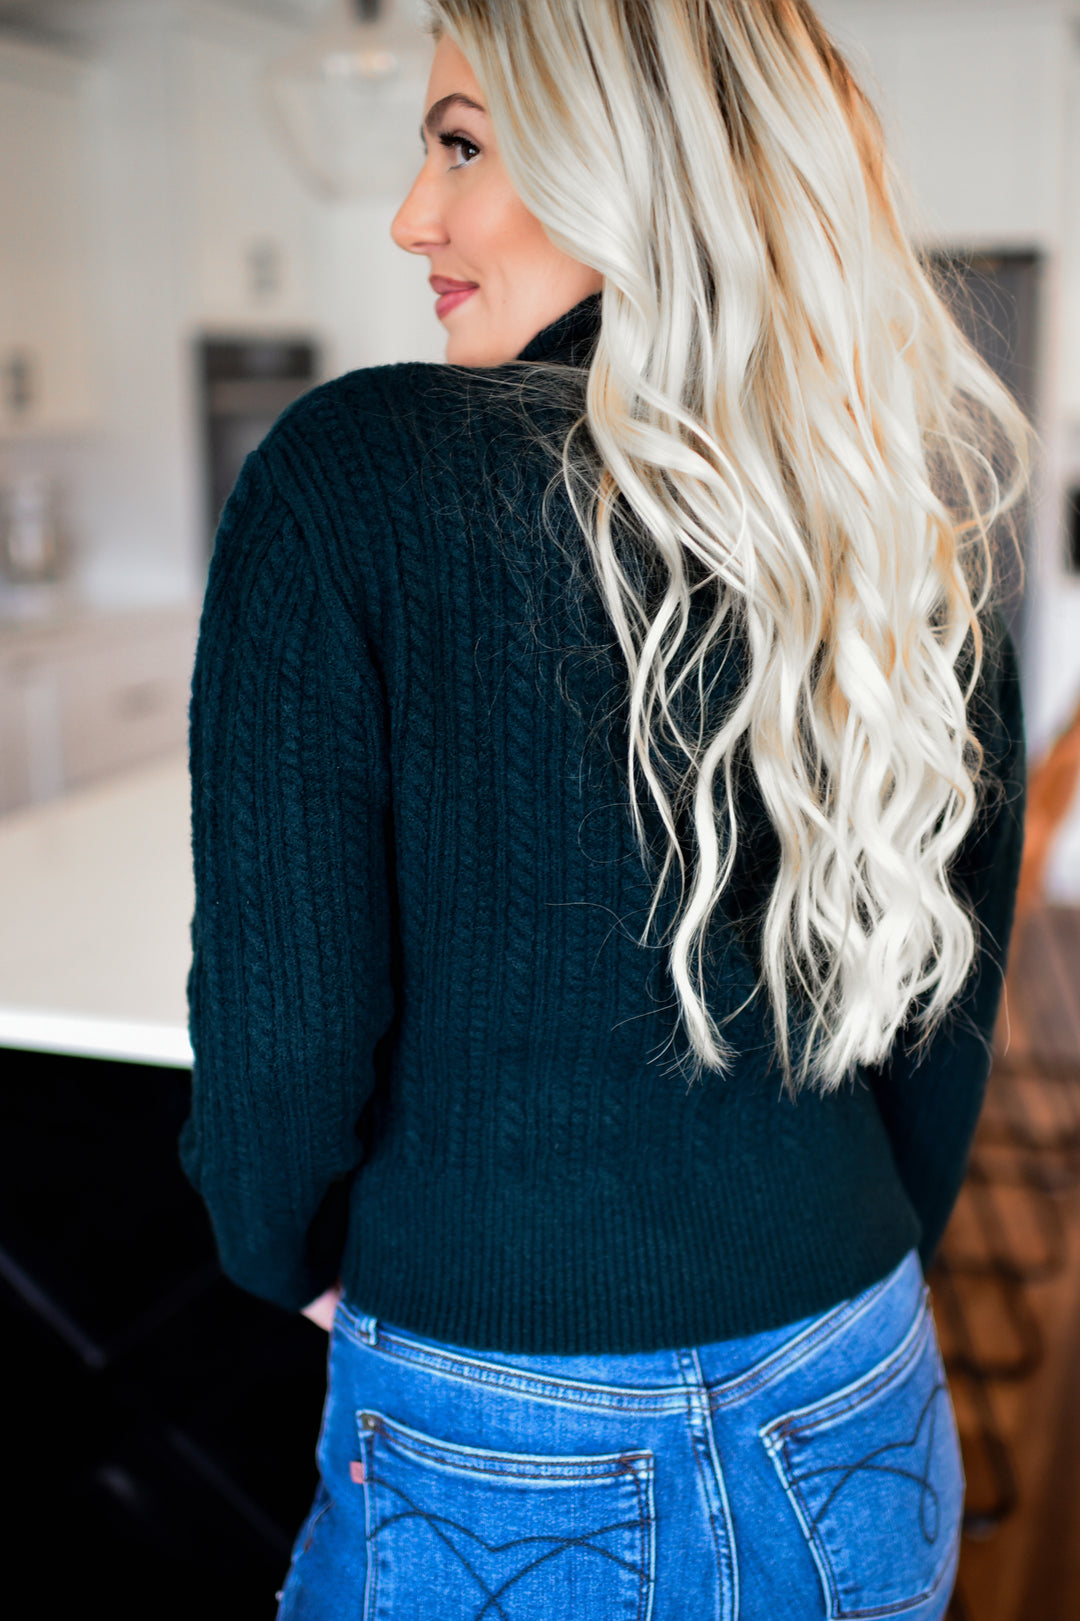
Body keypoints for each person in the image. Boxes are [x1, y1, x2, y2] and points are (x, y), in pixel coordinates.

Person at [181, 3, 1031, 1617]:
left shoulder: (353, 478)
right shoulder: (881, 503)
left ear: (626, 160)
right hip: (860, 1376)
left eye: (459, 143)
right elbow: (945, 1011)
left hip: (505, 1421)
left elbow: (280, 1043)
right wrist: (823, 1230)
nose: (409, 216)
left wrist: (282, 1250)